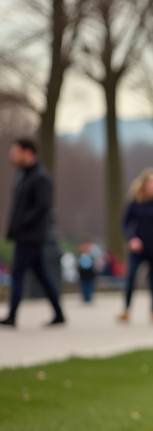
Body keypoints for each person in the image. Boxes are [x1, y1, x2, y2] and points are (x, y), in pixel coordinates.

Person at [1, 137, 66, 327]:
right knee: (42, 275)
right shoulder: (23, 175)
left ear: (28, 152)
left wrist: (22, 222)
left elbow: (42, 206)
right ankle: (59, 313)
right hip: (24, 234)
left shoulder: (40, 177)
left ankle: (12, 315)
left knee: (18, 274)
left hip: (31, 236)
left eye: (15, 152)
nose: (11, 156)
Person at [119, 168, 153, 324]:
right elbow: (125, 224)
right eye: (151, 183)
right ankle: (126, 310)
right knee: (131, 277)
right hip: (138, 249)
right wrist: (131, 239)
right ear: (144, 184)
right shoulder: (135, 203)